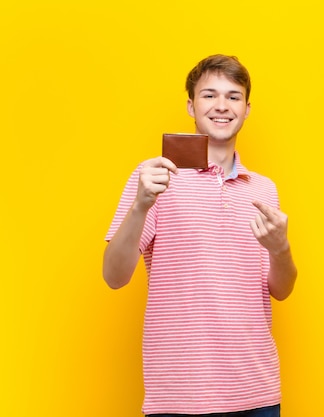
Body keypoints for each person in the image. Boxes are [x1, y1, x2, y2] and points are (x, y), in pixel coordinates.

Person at [103, 54, 297, 417]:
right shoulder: (155, 178)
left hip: (258, 391)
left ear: (247, 108)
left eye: (233, 96)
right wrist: (141, 204)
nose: (221, 106)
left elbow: (282, 290)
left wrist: (281, 248)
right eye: (209, 95)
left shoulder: (265, 190)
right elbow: (114, 277)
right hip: (180, 394)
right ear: (191, 105)